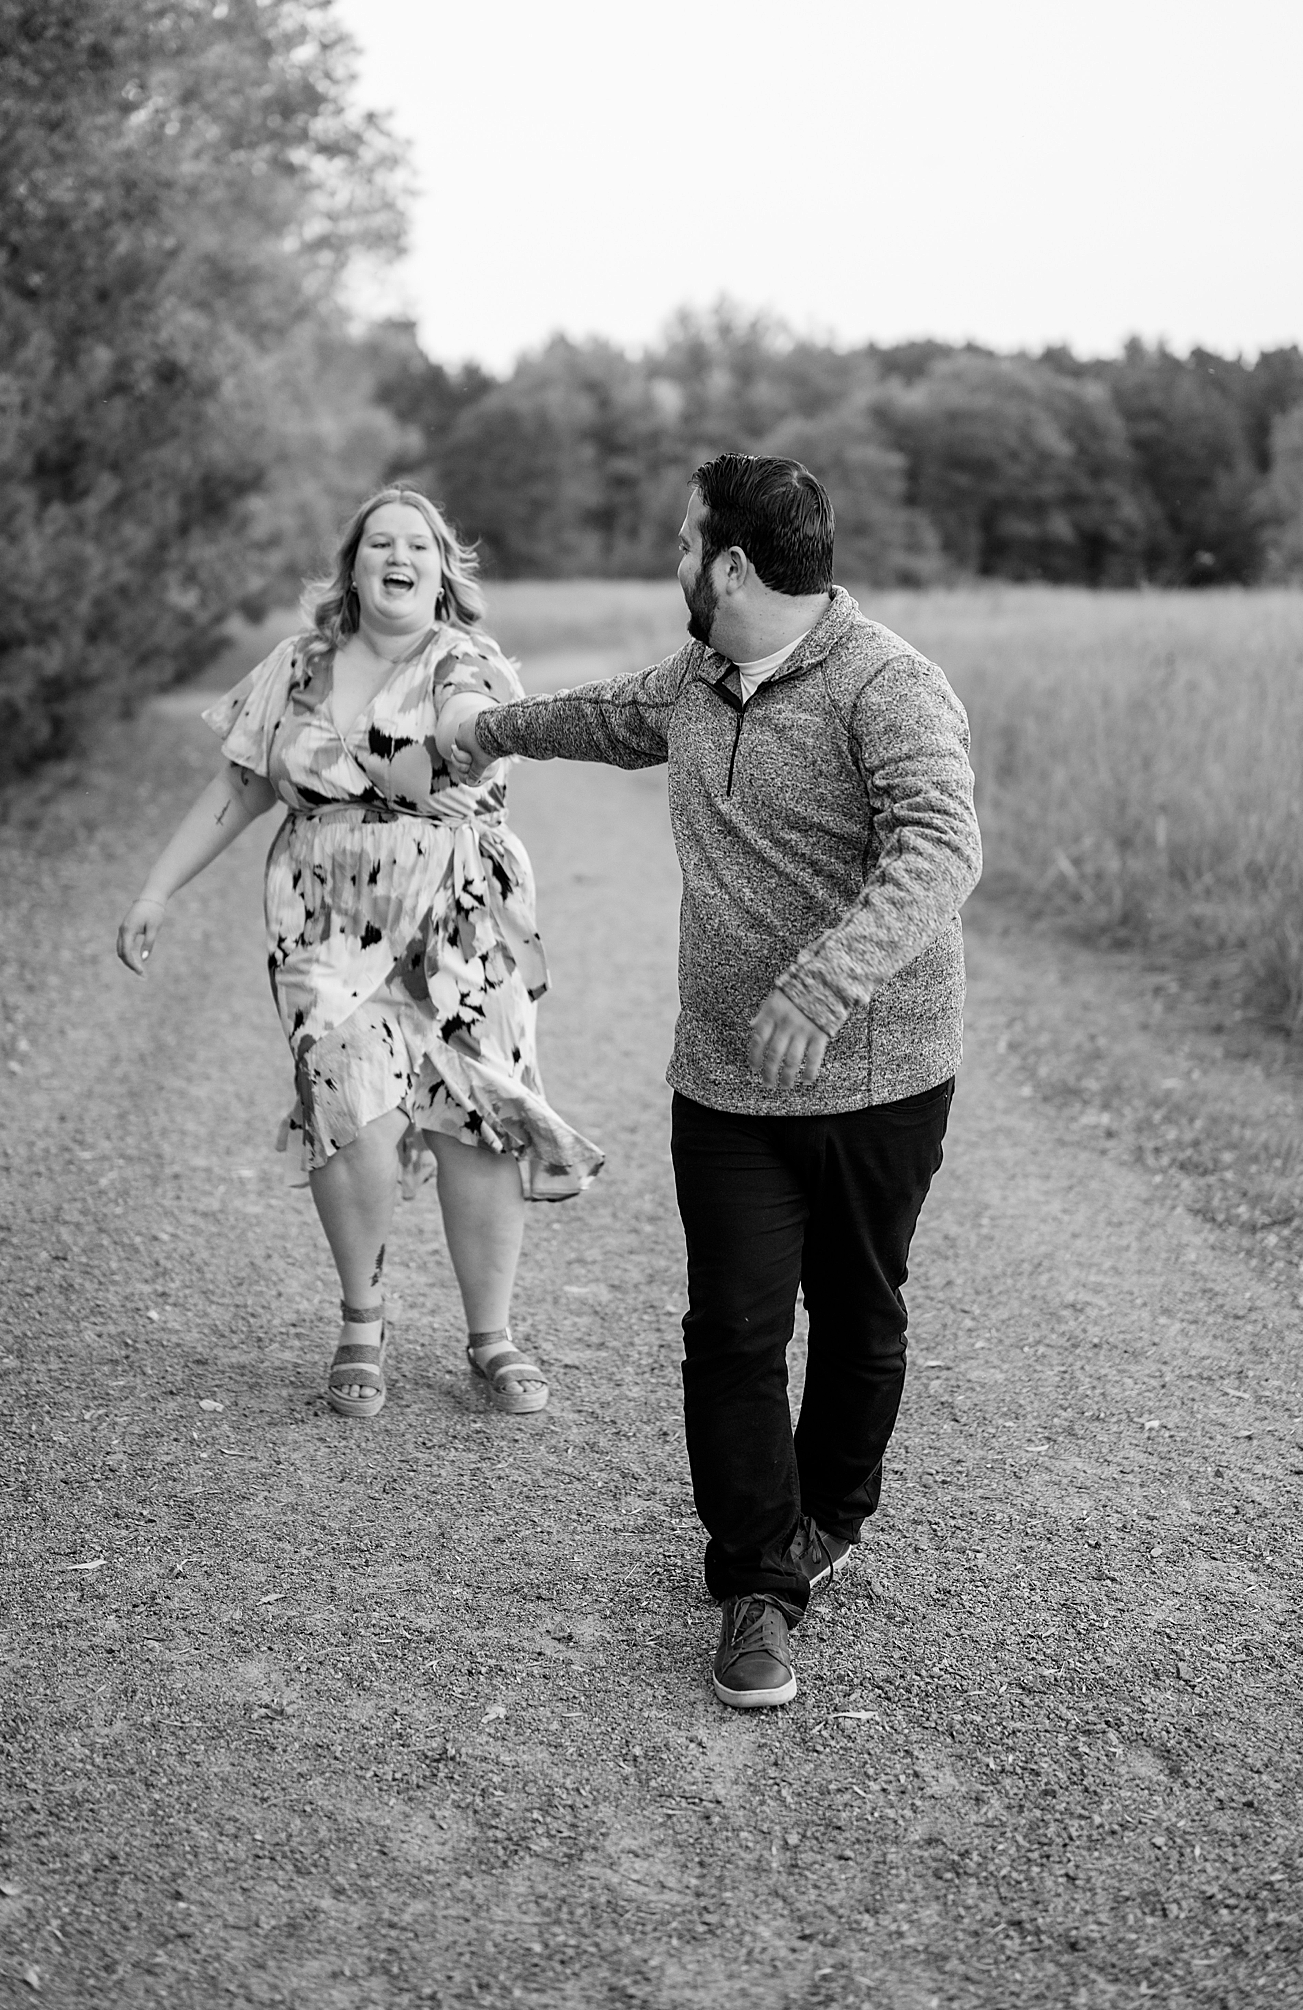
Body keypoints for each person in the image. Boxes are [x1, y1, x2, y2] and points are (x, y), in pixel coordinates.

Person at [437, 453, 981, 1706]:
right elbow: (595, 717)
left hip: (883, 1078)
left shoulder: (888, 685)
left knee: (859, 1317)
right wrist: (481, 731)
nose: (675, 561)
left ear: (734, 565)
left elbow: (941, 847)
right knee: (730, 1333)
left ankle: (826, 1520)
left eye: (687, 544)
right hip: (726, 1087)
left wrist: (822, 983)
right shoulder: (694, 682)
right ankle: (757, 1584)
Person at [116, 486, 601, 1421]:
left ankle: (491, 1336)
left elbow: (467, 724)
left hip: (463, 917)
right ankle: (361, 1319)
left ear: (441, 567)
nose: (398, 554)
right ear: (354, 566)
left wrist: (451, 746)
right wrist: (156, 889)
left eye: (417, 542)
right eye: (380, 541)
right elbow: (240, 786)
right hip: (324, 923)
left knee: (480, 1113)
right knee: (349, 1106)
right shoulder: (297, 668)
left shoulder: (471, 662)